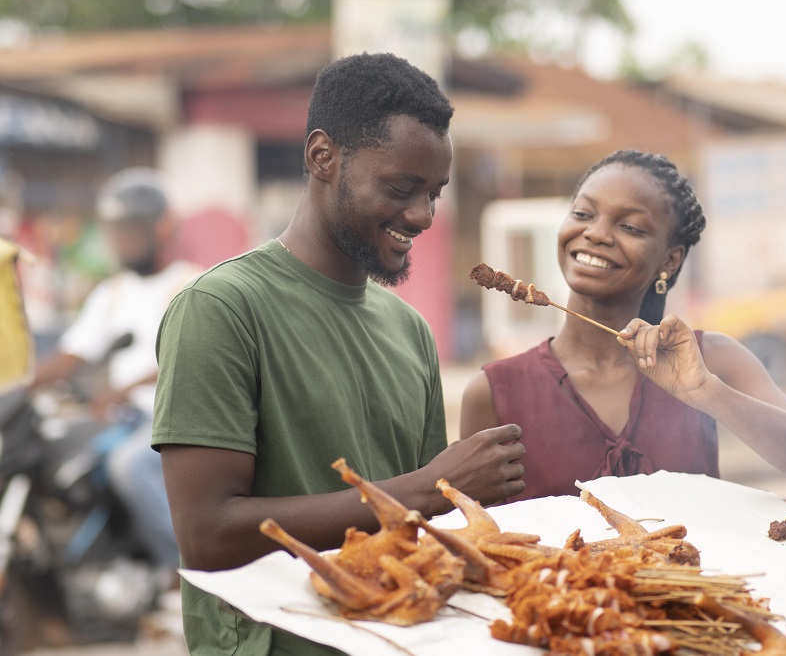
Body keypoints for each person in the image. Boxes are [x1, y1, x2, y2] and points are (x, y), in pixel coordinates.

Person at [151, 52, 525, 656]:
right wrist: (430, 488)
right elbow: (207, 535)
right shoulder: (221, 308)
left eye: (434, 194)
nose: (423, 216)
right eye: (402, 189)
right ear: (322, 156)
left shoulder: (409, 330)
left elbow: (419, 529)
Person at [460, 149, 786, 501]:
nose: (595, 233)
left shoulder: (712, 358)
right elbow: (479, 535)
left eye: (630, 227)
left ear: (670, 259)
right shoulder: (494, 392)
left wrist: (705, 392)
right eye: (582, 214)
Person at [29, 167, 201, 578]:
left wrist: (127, 387)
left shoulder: (192, 284)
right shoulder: (113, 292)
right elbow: (71, 354)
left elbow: (194, 359)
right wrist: (17, 383)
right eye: (116, 230)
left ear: (161, 228)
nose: (121, 240)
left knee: (130, 466)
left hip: (174, 418)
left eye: (131, 230)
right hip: (125, 419)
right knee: (60, 454)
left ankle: (190, 574)